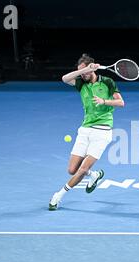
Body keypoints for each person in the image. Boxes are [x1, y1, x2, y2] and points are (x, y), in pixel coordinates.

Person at [49, 54, 125, 210]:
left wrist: (104, 101)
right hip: (85, 129)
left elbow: (121, 102)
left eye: (85, 72)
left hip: (102, 131)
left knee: (83, 169)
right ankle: (95, 175)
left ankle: (58, 195)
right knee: (72, 170)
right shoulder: (80, 83)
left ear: (92, 70)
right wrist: (83, 71)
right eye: (80, 72)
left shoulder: (107, 82)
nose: (82, 75)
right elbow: (64, 78)